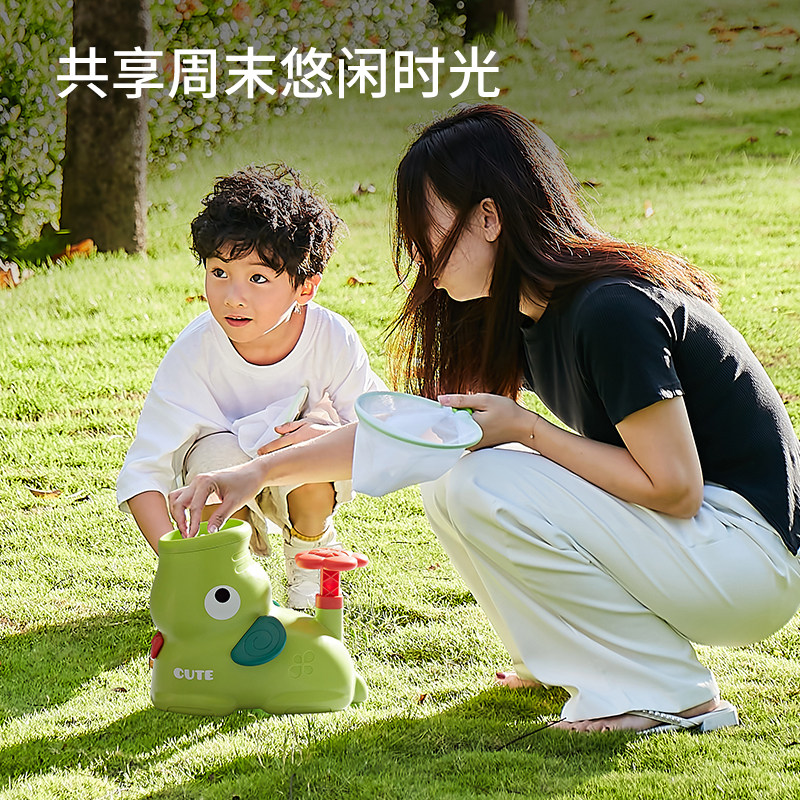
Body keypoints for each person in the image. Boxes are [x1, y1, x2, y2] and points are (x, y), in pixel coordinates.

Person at [168, 105, 800, 734]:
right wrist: (256, 474)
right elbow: (413, 437)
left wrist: (529, 431)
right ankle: (563, 663)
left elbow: (676, 488)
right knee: (451, 478)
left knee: (483, 479)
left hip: (748, 560)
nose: (418, 254)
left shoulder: (611, 311)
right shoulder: (518, 314)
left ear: (489, 218)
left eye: (426, 230)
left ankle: (666, 695)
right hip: (699, 549)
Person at [117, 164, 385, 609]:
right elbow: (145, 471)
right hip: (220, 481)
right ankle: (230, 581)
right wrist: (178, 562)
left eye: (258, 278)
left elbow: (382, 430)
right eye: (219, 272)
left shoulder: (332, 338)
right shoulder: (195, 352)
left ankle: (309, 560)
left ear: (305, 288)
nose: (232, 296)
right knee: (214, 463)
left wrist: (326, 432)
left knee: (311, 448)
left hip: (299, 483)